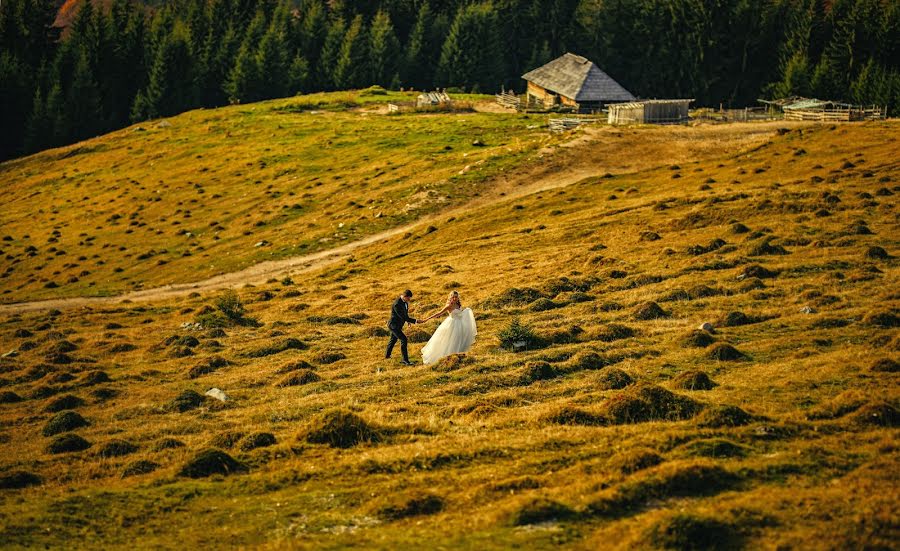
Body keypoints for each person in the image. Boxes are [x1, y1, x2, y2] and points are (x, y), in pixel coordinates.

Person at [419, 291, 477, 365]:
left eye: (456, 297)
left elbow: (460, 313)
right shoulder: (449, 306)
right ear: (450, 297)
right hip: (452, 324)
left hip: (460, 324)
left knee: (459, 339)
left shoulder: (458, 304)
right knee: (450, 340)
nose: (455, 298)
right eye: (453, 297)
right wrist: (426, 319)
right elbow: (439, 313)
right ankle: (448, 357)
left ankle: (458, 356)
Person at [385, 289, 418, 365]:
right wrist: (415, 321)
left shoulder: (405, 302)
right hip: (393, 325)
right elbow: (403, 317)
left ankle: (387, 356)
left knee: (393, 340)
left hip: (398, 325)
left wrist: (408, 321)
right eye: (408, 298)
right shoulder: (397, 304)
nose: (409, 300)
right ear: (405, 296)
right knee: (404, 339)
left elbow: (405, 315)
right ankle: (405, 360)